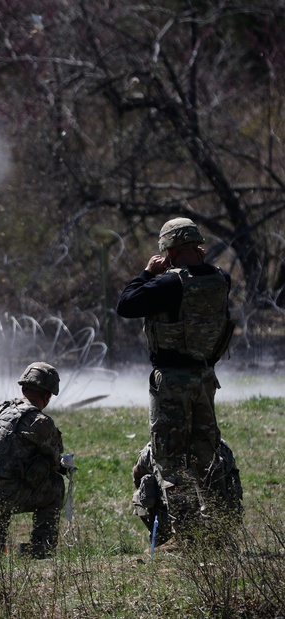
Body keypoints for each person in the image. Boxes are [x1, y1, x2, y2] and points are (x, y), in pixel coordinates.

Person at [116, 217, 235, 544]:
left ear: (169, 251)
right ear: (198, 247)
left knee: (170, 462)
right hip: (205, 377)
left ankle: (189, 537)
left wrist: (147, 274)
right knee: (206, 456)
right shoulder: (221, 278)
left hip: (171, 382)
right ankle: (219, 532)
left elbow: (125, 305)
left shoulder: (168, 284)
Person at [0, 361, 68, 559]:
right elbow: (56, 458)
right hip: (0, 497)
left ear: (24, 387)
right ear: (47, 395)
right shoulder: (38, 420)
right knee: (55, 486)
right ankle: (41, 550)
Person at [132, 439, 243, 548]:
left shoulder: (156, 448)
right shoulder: (219, 445)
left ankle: (169, 538)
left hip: (181, 519)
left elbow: (138, 478)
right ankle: (219, 538)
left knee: (140, 494)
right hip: (221, 519)